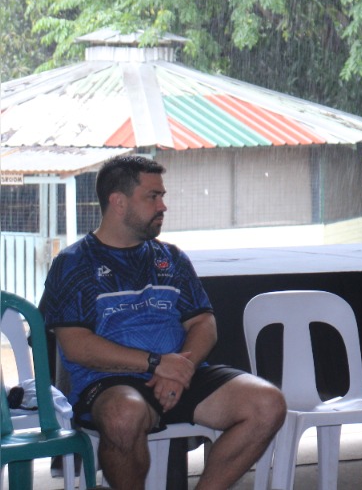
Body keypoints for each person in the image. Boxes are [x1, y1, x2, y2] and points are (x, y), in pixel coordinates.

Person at [40, 156, 287, 490]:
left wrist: (180, 369)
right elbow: (76, 345)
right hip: (110, 383)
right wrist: (157, 363)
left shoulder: (170, 257)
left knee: (267, 403)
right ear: (118, 202)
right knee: (123, 415)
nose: (163, 206)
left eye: (162, 196)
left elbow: (204, 323)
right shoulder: (73, 263)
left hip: (179, 373)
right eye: (152, 197)